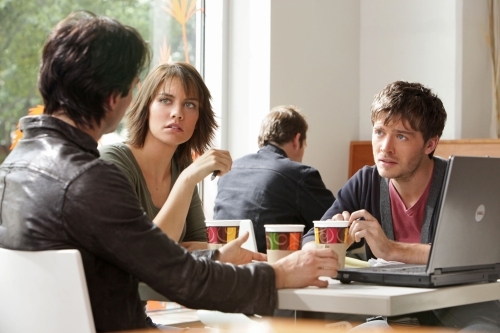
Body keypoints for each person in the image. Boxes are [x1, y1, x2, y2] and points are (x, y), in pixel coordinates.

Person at [0, 11, 339, 333]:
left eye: (190, 105)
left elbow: (150, 260)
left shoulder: (12, 167)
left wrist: (217, 255)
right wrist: (278, 274)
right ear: (113, 97)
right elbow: (182, 278)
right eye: (135, 88)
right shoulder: (90, 179)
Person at [302, 81, 500, 331]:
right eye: (379, 132)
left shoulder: (460, 183)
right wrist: (332, 240)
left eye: (402, 136)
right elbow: (308, 240)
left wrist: (391, 249)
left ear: (430, 144)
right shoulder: (366, 182)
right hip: (391, 316)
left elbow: (479, 253)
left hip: (465, 314)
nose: (385, 147)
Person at [99, 62, 230, 252]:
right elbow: (145, 253)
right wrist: (187, 179)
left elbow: (202, 248)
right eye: (165, 100)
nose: (177, 113)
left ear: (199, 118)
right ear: (146, 107)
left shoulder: (182, 165)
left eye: (189, 104)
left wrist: (174, 250)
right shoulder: (112, 161)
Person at [213, 105, 335, 253]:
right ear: (297, 140)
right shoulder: (300, 175)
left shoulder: (229, 170)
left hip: (224, 266)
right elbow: (335, 230)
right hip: (272, 268)